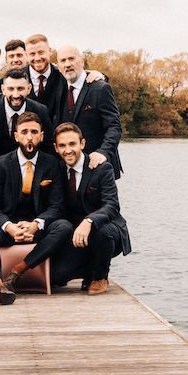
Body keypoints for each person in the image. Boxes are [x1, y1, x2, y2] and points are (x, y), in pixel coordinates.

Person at [0, 112, 70, 305]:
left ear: (41, 136)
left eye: (34, 132)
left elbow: (57, 205)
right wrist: (9, 227)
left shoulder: (52, 164)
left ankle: (18, 271)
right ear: (16, 136)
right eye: (24, 132)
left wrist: (36, 224)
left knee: (64, 226)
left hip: (38, 229)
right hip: (10, 227)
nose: (29, 136)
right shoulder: (0, 164)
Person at [54, 122, 131, 294]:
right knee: (57, 277)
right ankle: (85, 270)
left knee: (103, 232)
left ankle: (100, 277)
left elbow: (112, 205)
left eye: (72, 144)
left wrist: (89, 220)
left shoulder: (102, 168)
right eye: (62, 145)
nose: (68, 150)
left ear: (82, 144)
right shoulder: (57, 169)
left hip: (106, 229)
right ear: (56, 148)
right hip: (75, 233)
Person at [55, 45, 123, 178]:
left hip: (97, 166)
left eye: (71, 59)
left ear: (81, 61)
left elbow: (114, 126)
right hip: (69, 168)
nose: (67, 64)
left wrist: (103, 152)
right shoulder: (59, 88)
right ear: (58, 66)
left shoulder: (100, 88)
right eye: (63, 61)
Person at [25, 33, 105, 120]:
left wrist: (101, 76)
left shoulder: (62, 74)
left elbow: (79, 74)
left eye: (41, 52)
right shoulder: (18, 79)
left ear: (50, 51)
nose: (37, 58)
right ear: (26, 55)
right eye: (32, 54)